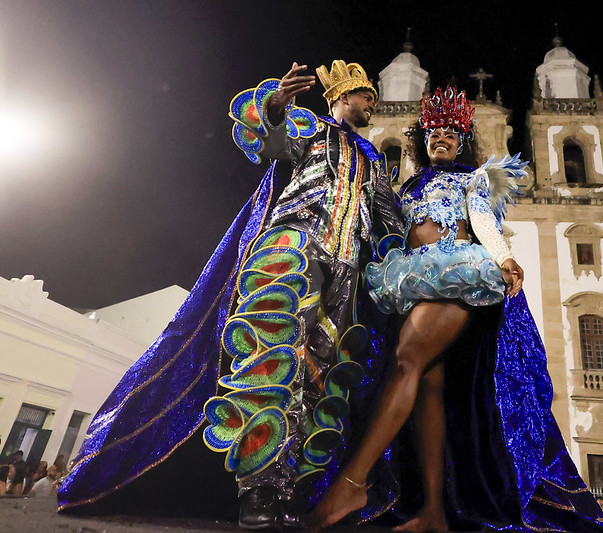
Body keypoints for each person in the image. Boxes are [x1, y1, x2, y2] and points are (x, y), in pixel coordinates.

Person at [57, 59, 404, 530]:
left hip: (347, 270)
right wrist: (279, 105)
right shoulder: (314, 129)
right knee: (273, 352)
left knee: (319, 372)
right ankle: (259, 488)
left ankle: (293, 488)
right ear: (344, 95)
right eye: (367, 95)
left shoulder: (373, 158)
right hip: (295, 247)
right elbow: (275, 145)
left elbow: (390, 224)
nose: (373, 103)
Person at [307, 86, 603, 532]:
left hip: (458, 275)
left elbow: (484, 218)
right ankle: (433, 511)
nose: (442, 138)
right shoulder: (408, 185)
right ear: (421, 139)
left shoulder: (474, 178)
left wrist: (503, 256)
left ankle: (353, 482)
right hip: (411, 282)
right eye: (434, 132)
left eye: (451, 132)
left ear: (463, 140)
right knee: (429, 387)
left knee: (406, 359)